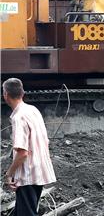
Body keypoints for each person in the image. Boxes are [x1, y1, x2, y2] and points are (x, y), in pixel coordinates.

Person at [3, 78, 56, 216]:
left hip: (28, 174)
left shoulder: (18, 117)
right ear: (22, 93)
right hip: (39, 171)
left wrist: (9, 174)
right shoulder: (33, 110)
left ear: (6, 94)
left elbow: (22, 153)